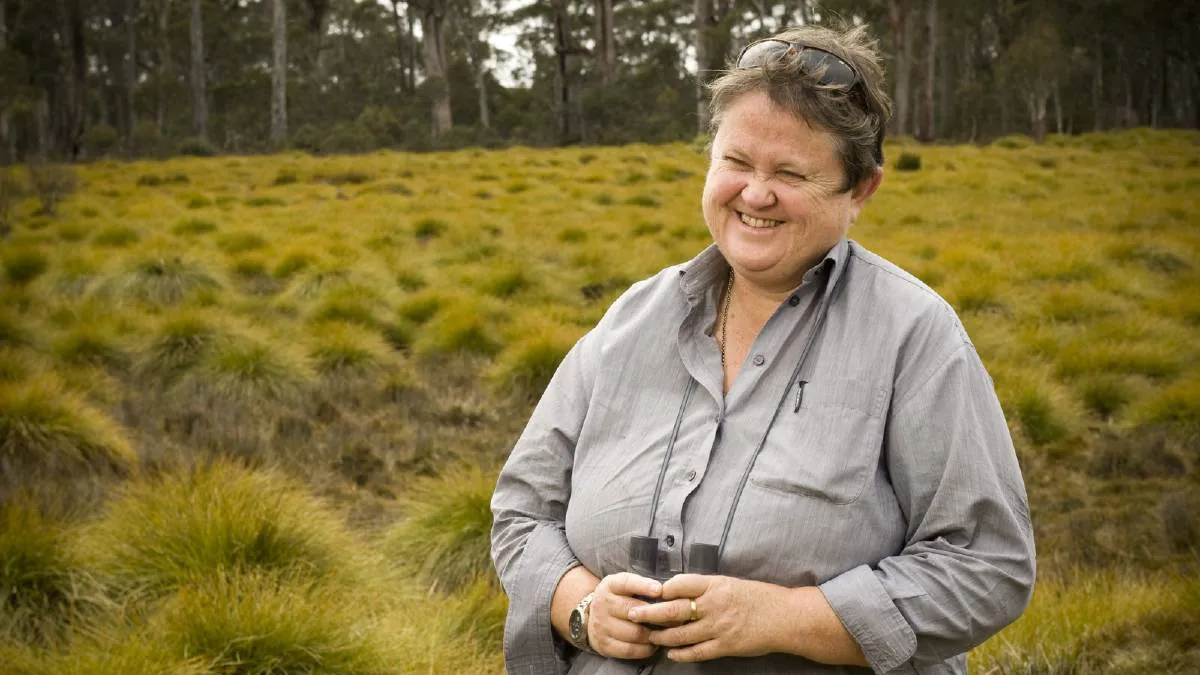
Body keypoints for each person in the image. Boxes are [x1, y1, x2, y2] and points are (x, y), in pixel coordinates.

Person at [491, 22, 1035, 675]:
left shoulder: (914, 336)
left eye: (791, 172)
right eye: (737, 162)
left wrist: (784, 618)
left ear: (861, 190)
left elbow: (988, 562)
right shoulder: (630, 321)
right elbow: (522, 509)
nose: (754, 194)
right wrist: (579, 605)